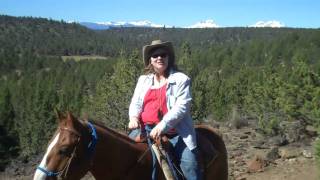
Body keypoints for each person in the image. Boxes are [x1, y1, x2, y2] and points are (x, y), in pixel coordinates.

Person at [128, 40, 202, 180]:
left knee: (189, 164)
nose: (159, 58)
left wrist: (162, 125)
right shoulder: (143, 80)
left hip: (175, 133)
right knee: (122, 157)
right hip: (144, 131)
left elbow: (181, 107)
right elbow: (136, 102)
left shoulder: (180, 79)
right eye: (155, 55)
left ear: (169, 58)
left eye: (163, 54)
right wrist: (133, 117)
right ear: (150, 60)